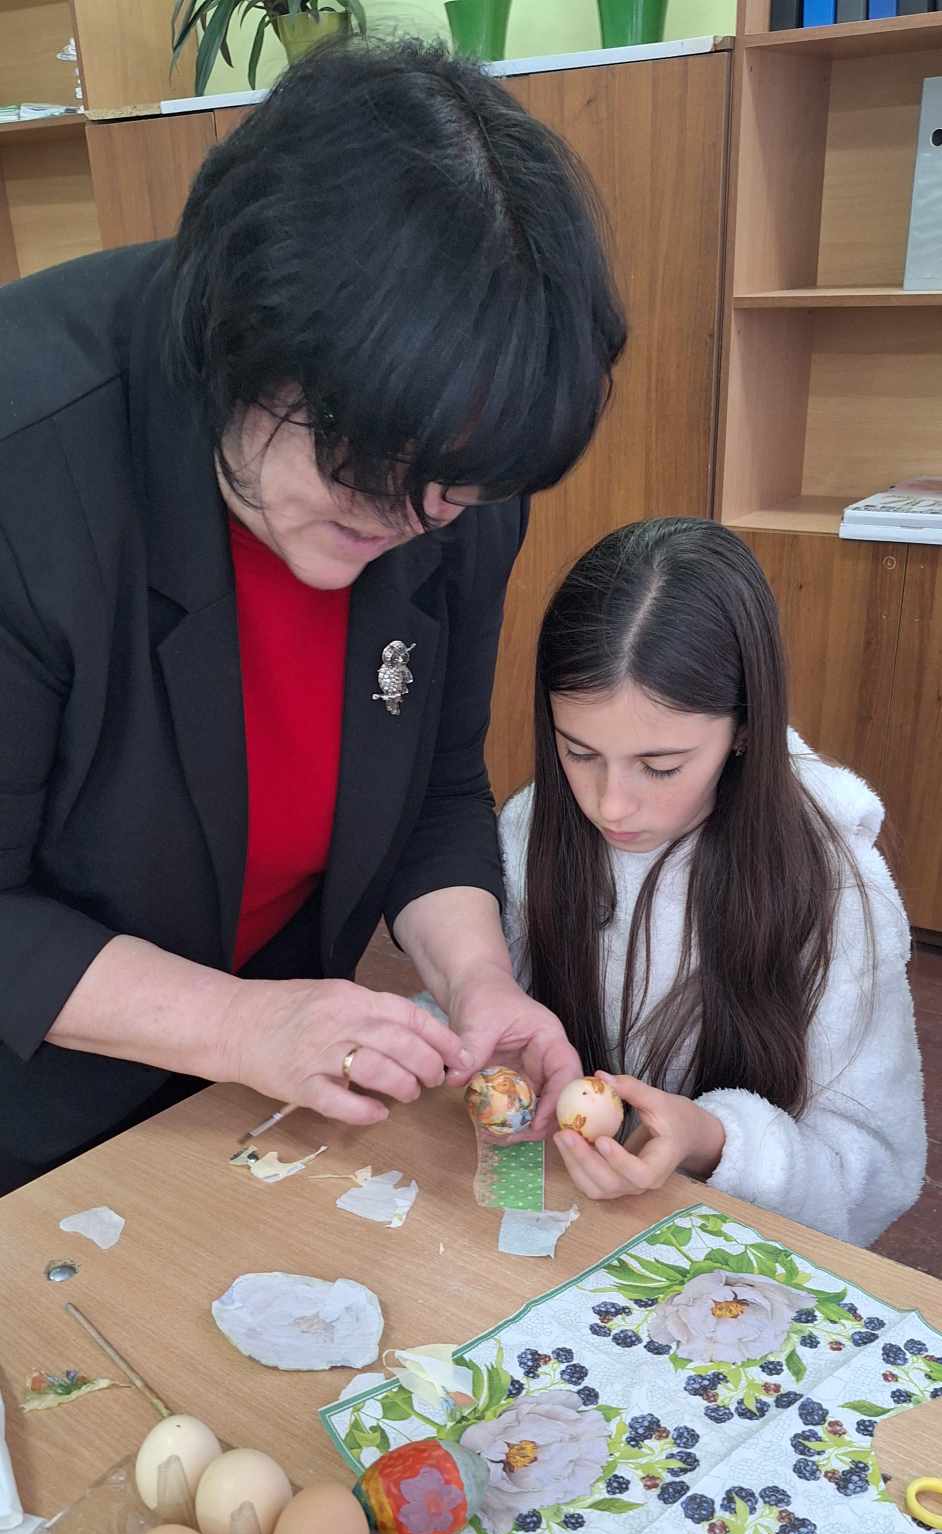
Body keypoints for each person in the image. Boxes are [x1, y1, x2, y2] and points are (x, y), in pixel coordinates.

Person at [0, 37, 626, 1192]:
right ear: (244, 337)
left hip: (246, 1094)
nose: (414, 522)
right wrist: (238, 1024)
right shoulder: (31, 459)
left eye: (456, 491)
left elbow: (437, 786)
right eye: (369, 470)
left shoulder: (450, 480)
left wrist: (477, 981)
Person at [499, 518, 926, 1248]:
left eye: (661, 767)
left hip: (726, 1269)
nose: (611, 805)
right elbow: (496, 1018)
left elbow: (873, 1174)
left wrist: (714, 1141)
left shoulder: (833, 885)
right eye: (579, 753)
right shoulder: (531, 826)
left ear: (746, 728)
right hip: (556, 1230)